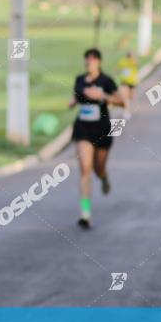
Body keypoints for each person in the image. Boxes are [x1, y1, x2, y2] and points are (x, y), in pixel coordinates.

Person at [69, 48, 123, 229]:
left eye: (92, 60)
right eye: (87, 60)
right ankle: (85, 214)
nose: (89, 62)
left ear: (99, 62)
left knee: (98, 168)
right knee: (85, 170)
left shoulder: (106, 81)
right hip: (83, 129)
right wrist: (73, 101)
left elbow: (122, 101)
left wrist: (104, 96)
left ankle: (104, 177)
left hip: (102, 129)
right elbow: (76, 95)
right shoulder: (79, 79)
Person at [116, 50, 138, 119]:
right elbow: (117, 68)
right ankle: (126, 111)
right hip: (124, 82)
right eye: (129, 56)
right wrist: (118, 70)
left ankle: (126, 107)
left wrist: (132, 60)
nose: (129, 57)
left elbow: (135, 64)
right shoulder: (122, 61)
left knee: (131, 97)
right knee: (125, 97)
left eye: (130, 56)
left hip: (132, 82)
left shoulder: (133, 61)